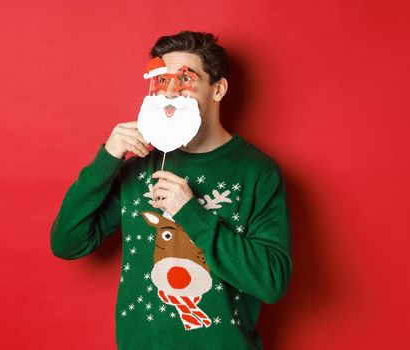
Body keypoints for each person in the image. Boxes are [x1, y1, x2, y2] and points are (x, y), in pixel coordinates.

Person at [50, 31, 292, 350]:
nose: (171, 92)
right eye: (163, 81)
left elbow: (272, 282)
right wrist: (107, 159)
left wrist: (191, 214)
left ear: (217, 89)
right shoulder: (139, 167)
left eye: (185, 79)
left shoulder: (257, 172)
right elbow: (68, 243)